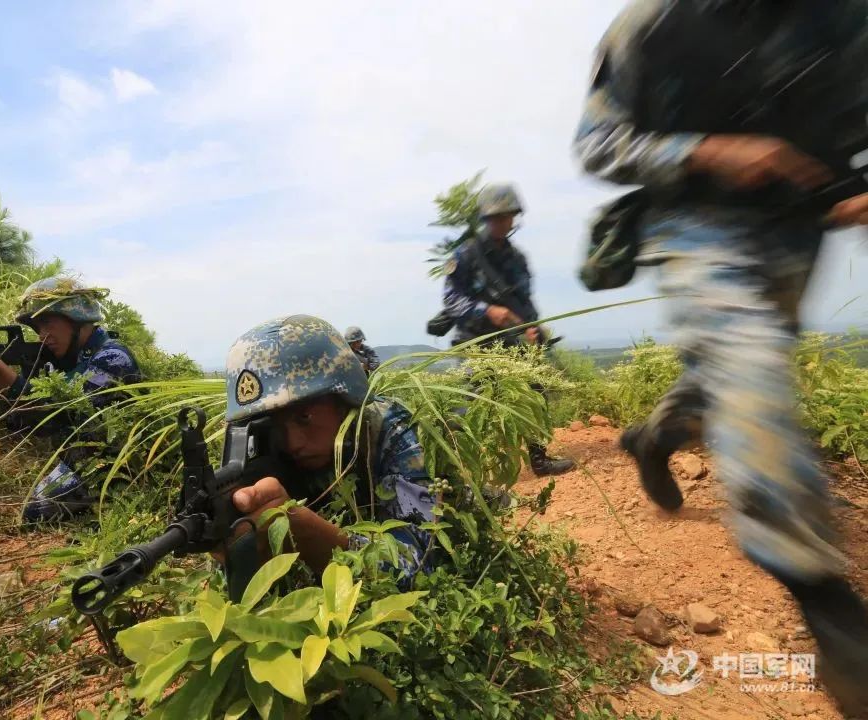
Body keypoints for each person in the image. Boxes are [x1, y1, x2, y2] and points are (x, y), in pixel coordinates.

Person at [573, 1, 868, 713]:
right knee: (746, 360)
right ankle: (829, 608)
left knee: (728, 371)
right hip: (696, 223)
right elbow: (598, 142)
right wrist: (707, 151)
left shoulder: (846, 21)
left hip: (797, 235)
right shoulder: (653, 25)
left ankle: (656, 436)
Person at [220, 315, 436, 591]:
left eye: (305, 417)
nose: (293, 443)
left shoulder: (387, 431)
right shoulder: (260, 451)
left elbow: (419, 566)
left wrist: (304, 530)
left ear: (345, 400)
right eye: (274, 425)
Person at [0, 277, 142, 524]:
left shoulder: (113, 358)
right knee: (34, 510)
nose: (42, 335)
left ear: (76, 319)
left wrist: (1, 373)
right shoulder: (57, 363)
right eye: (37, 328)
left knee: (35, 514)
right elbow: (23, 426)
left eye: (48, 323)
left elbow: (62, 417)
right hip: (81, 461)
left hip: (114, 466)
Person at [441, 183, 576, 477]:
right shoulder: (465, 255)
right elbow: (451, 300)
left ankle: (539, 460)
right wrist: (486, 310)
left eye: (507, 216)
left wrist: (533, 327)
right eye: (495, 217)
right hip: (475, 341)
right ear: (485, 219)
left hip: (511, 341)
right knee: (469, 402)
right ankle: (459, 471)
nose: (502, 222)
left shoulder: (517, 259)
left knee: (535, 392)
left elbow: (525, 301)